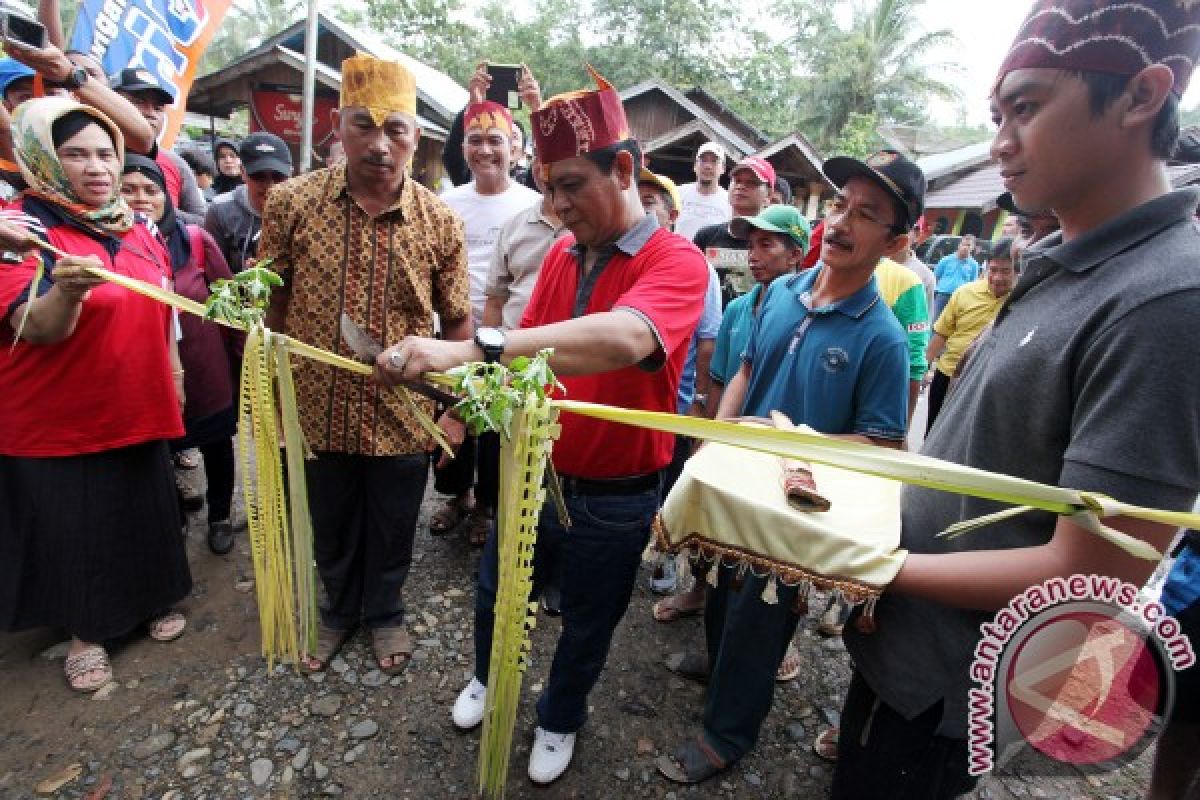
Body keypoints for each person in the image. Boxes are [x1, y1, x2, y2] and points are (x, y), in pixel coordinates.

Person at [839, 3, 1200, 798]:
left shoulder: (1167, 299)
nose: (1000, 141)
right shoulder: (1063, 254)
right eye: (998, 114)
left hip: (952, 680)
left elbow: (1091, 573)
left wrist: (879, 566)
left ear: (1142, 96)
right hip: (904, 635)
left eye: (1027, 108)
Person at [376, 66, 708, 786]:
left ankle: (560, 715)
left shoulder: (677, 260)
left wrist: (473, 345)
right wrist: (453, 391)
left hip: (617, 492)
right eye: (547, 187)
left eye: (568, 185)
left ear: (623, 169)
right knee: (498, 587)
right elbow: (530, 356)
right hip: (536, 468)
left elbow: (623, 338)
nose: (554, 205)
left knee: (589, 618)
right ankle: (488, 679)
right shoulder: (559, 252)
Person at [657, 149, 913, 785]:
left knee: (759, 621)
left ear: (898, 240)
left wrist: (790, 440)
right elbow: (745, 370)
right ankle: (719, 671)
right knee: (718, 588)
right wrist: (715, 442)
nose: (844, 223)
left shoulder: (880, 337)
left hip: (794, 513)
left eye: (868, 214)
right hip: (735, 488)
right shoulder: (778, 293)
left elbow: (881, 447)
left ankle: (725, 735)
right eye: (839, 205)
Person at [258, 54, 471, 677]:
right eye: (362, 127)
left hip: (402, 411)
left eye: (395, 130)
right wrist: (270, 391)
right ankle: (337, 610)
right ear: (337, 126)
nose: (379, 146)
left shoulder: (440, 219)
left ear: (417, 136)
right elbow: (270, 297)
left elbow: (457, 322)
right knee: (329, 516)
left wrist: (457, 408)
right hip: (315, 403)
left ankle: (383, 611)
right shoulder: (291, 203)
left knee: (392, 518)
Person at [0, 98, 191, 693]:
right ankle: (87, 634)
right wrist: (68, 294)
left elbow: (164, 314)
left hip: (137, 401)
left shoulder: (138, 228)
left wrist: (174, 376)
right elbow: (35, 326)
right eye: (75, 154)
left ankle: (154, 600)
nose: (97, 167)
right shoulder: (22, 233)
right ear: (41, 160)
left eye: (105, 153)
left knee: (141, 509)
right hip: (60, 415)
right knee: (73, 524)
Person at [651, 203, 809, 626]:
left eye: (767, 245)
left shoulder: (810, 316)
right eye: (751, 245)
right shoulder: (739, 309)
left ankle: (779, 633)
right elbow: (719, 373)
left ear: (796, 255)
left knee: (772, 541)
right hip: (729, 434)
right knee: (713, 519)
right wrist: (705, 425)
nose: (754, 255)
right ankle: (701, 591)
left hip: (778, 448)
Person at [434, 67, 540, 544]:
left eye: (496, 140)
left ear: (515, 149)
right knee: (452, 413)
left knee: (496, 425)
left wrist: (536, 106)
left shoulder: (531, 203)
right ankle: (456, 499)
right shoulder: (446, 202)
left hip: (508, 335)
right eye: (475, 140)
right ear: (463, 149)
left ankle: (488, 509)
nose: (485, 149)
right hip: (454, 330)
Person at [121, 154, 243, 555]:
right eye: (129, 189)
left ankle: (220, 517)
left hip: (205, 368)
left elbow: (229, 301)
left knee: (216, 444)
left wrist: (240, 360)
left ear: (167, 196)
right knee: (160, 454)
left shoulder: (194, 240)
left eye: (151, 190)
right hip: (147, 374)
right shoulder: (110, 250)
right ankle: (170, 521)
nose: (141, 199)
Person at [639, 167, 722, 595]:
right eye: (637, 195)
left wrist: (700, 398)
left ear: (672, 214)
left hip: (674, 401)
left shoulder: (694, 266)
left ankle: (665, 555)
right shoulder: (621, 258)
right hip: (627, 403)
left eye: (651, 199)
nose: (641, 202)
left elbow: (708, 340)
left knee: (670, 484)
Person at [923, 238, 1016, 434]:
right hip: (947, 375)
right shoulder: (965, 293)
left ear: (1018, 270)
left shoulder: (1024, 300)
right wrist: (924, 367)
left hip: (986, 385)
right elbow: (942, 333)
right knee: (933, 434)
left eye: (1006, 271)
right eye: (993, 270)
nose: (998, 277)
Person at [109, 68, 207, 224]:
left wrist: (158, 209)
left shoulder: (175, 163)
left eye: (158, 108)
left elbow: (200, 220)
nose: (150, 113)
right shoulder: (92, 156)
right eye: (138, 102)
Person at [204, 132, 292, 273]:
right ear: (243, 172)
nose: (269, 185)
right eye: (258, 176)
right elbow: (215, 276)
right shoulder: (220, 210)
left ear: (291, 174)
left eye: (278, 176)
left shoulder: (302, 211)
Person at [694, 156, 773, 304]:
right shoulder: (705, 236)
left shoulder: (774, 244)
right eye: (737, 181)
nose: (741, 186)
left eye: (751, 183)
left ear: (768, 195)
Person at [675, 141, 730, 241]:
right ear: (695, 166)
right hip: (679, 253)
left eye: (714, 161)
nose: (708, 166)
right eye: (703, 160)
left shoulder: (730, 201)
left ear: (723, 169)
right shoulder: (678, 193)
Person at [931, 233, 979, 319]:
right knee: (934, 320)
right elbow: (935, 277)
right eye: (963, 244)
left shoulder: (974, 265)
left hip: (961, 298)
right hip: (942, 295)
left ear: (973, 248)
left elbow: (972, 284)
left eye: (968, 245)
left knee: (952, 324)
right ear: (959, 245)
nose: (965, 247)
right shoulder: (946, 260)